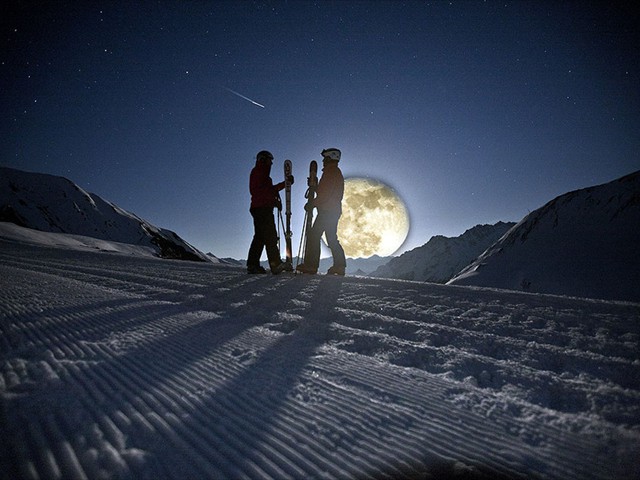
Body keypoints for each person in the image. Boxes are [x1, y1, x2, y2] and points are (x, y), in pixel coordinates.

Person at [297, 147, 346, 275]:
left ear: (330, 157)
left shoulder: (331, 172)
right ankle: (339, 266)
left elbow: (325, 195)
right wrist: (316, 186)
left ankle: (311, 266)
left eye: (325, 158)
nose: (323, 160)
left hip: (327, 211)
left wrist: (312, 203)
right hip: (333, 210)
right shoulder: (334, 172)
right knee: (331, 238)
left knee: (314, 235)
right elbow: (326, 192)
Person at [247, 150, 293, 274]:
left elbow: (267, 191)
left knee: (260, 237)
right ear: (263, 159)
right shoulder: (259, 173)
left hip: (259, 208)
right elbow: (262, 191)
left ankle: (253, 265)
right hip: (262, 208)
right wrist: (275, 199)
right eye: (269, 160)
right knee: (270, 236)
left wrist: (284, 185)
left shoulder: (261, 174)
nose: (271, 163)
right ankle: (275, 264)